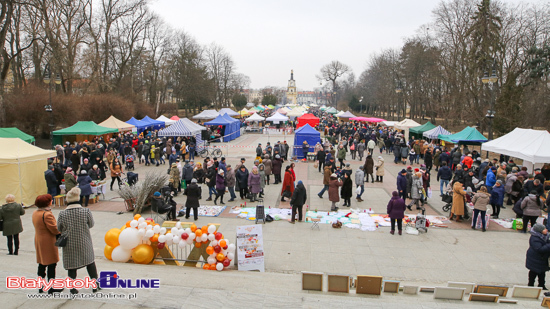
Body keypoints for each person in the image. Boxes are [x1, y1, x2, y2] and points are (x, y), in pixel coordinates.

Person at [57, 188, 98, 294]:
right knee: (90, 263)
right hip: (84, 240)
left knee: (72, 266)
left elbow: (59, 228)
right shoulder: (85, 211)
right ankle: (95, 285)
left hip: (69, 243)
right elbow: (91, 224)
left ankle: (73, 288)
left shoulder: (62, 214)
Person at [32, 194, 63, 294]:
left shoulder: (35, 212)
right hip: (48, 241)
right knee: (51, 264)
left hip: (39, 239)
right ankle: (51, 287)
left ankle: (41, 286)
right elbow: (54, 229)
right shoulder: (47, 214)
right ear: (47, 203)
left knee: (42, 263)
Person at [526, 223, 550, 289]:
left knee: (542, 273)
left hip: (542, 258)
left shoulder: (545, 236)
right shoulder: (534, 238)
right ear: (540, 231)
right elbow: (540, 249)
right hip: (535, 258)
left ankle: (542, 285)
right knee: (533, 272)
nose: (546, 230)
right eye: (544, 229)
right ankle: (530, 284)